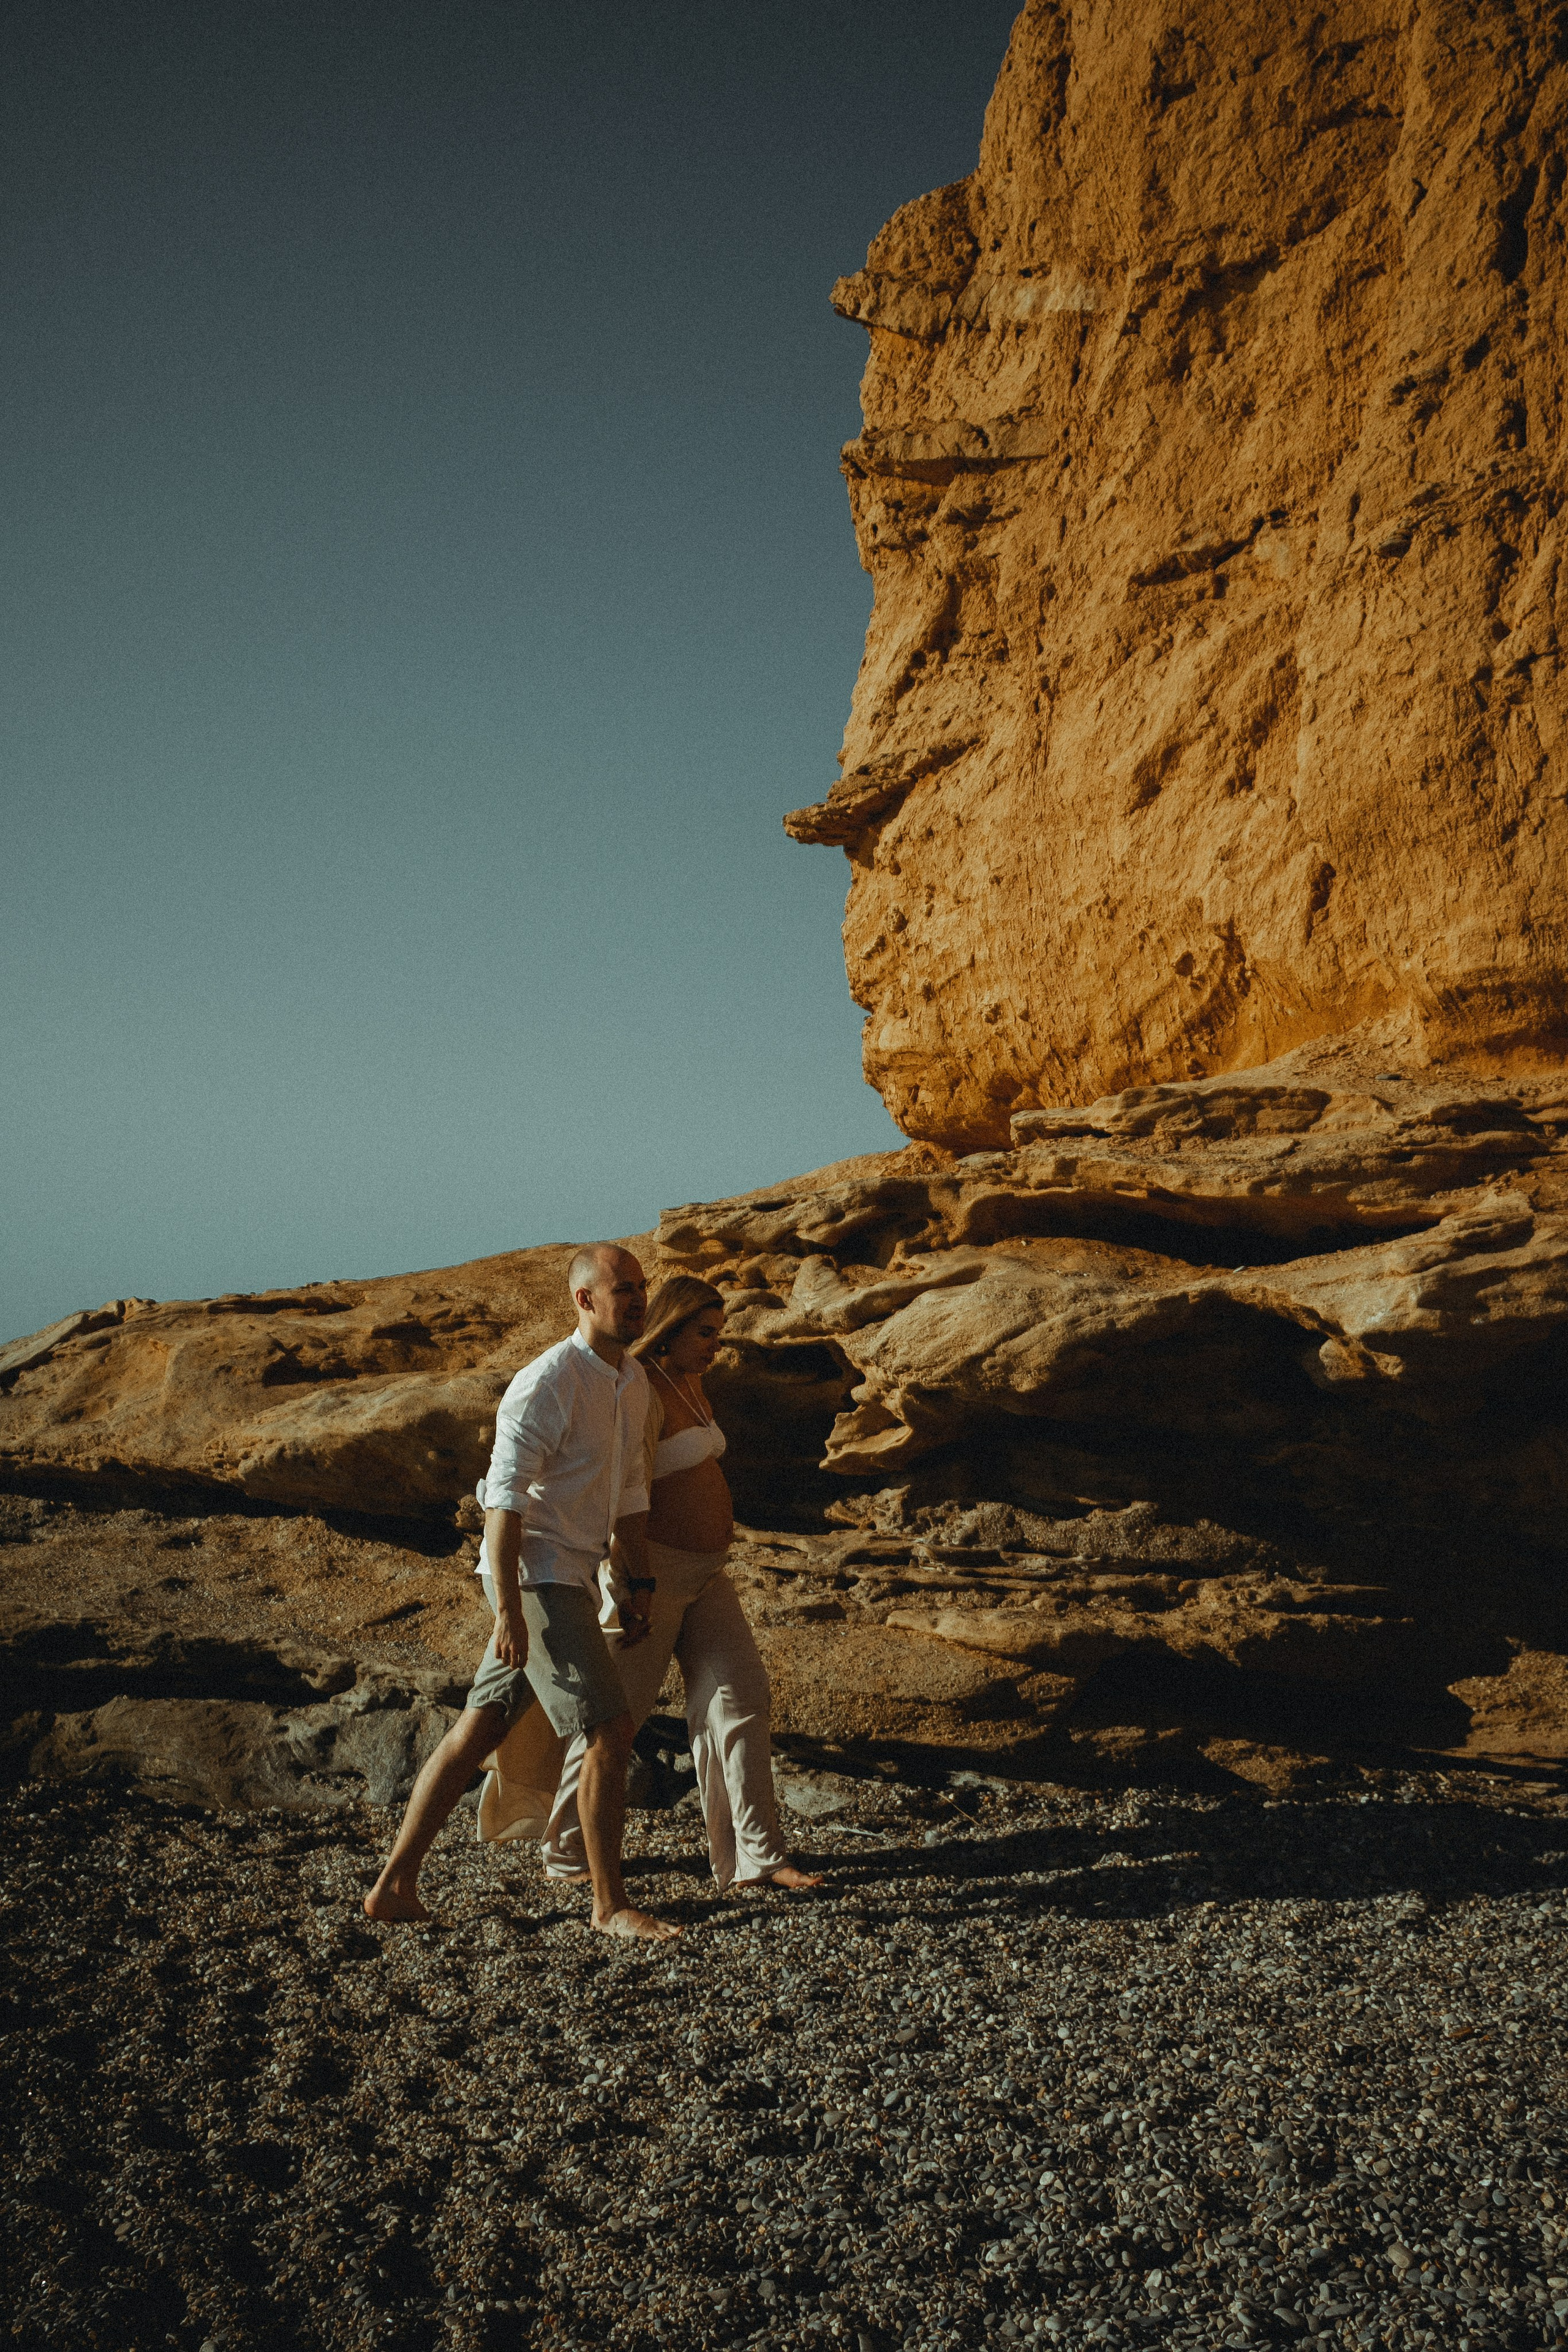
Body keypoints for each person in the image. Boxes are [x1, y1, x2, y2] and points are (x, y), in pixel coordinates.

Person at [364, 1244, 681, 1941]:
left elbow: (629, 1498)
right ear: (583, 1299)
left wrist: (638, 1582)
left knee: (478, 1728)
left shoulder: (633, 1383)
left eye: (640, 1288)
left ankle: (393, 1886)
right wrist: (508, 1609)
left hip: (574, 1573)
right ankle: (608, 1906)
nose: (635, 1299)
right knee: (608, 1729)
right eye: (620, 1288)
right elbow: (503, 1503)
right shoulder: (547, 1382)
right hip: (535, 1575)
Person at [537, 1275, 822, 1893]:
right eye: (705, 1333)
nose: (716, 1346)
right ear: (671, 1329)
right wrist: (632, 1577)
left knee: (741, 1700)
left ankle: (757, 1858)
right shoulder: (638, 1389)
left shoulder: (693, 1383)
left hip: (708, 1574)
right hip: (654, 1573)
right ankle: (565, 1850)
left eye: (719, 1333)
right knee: (618, 1720)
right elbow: (623, 1495)